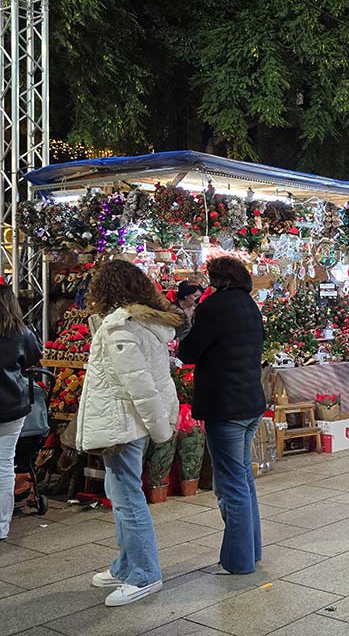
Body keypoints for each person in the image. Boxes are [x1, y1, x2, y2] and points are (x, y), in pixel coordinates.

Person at [79, 260, 183, 606]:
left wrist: (160, 429)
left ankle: (144, 574)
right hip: (127, 422)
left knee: (127, 499)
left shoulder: (120, 326)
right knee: (121, 493)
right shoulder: (143, 323)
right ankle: (125, 565)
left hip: (122, 423)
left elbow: (140, 385)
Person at [178, 256, 267, 577]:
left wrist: (188, 323)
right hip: (250, 402)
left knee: (231, 484)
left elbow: (188, 352)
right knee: (242, 479)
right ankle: (250, 551)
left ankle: (238, 561)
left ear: (217, 279)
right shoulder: (249, 305)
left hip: (225, 406)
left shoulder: (213, 307)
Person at [0, 285, 41, 542]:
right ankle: (1, 526)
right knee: (5, 465)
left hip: (11, 408)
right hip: (12, 407)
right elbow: (33, 360)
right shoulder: (22, 332)